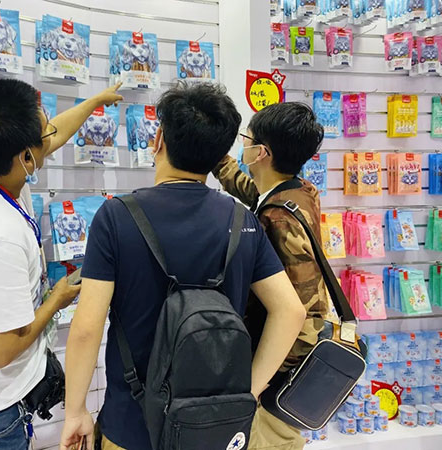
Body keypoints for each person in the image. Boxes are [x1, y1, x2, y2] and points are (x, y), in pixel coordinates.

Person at [58, 83, 306, 450]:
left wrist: (76, 410)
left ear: (158, 139)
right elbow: (291, 311)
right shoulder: (243, 221)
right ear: (220, 154)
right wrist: (248, 391)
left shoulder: (116, 217)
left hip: (132, 425)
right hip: (212, 428)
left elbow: (86, 329)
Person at [0, 79, 123, 450]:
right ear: (26, 158)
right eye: (43, 132)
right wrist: (55, 300)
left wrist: (95, 101)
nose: (50, 135)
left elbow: (55, 135)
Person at [212, 102, 330, 450]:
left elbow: (304, 309)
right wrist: (215, 154)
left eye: (245, 139)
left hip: (277, 375)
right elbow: (253, 192)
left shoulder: (279, 220)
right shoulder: (296, 192)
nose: (242, 144)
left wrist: (261, 381)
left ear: (261, 152)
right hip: (278, 366)